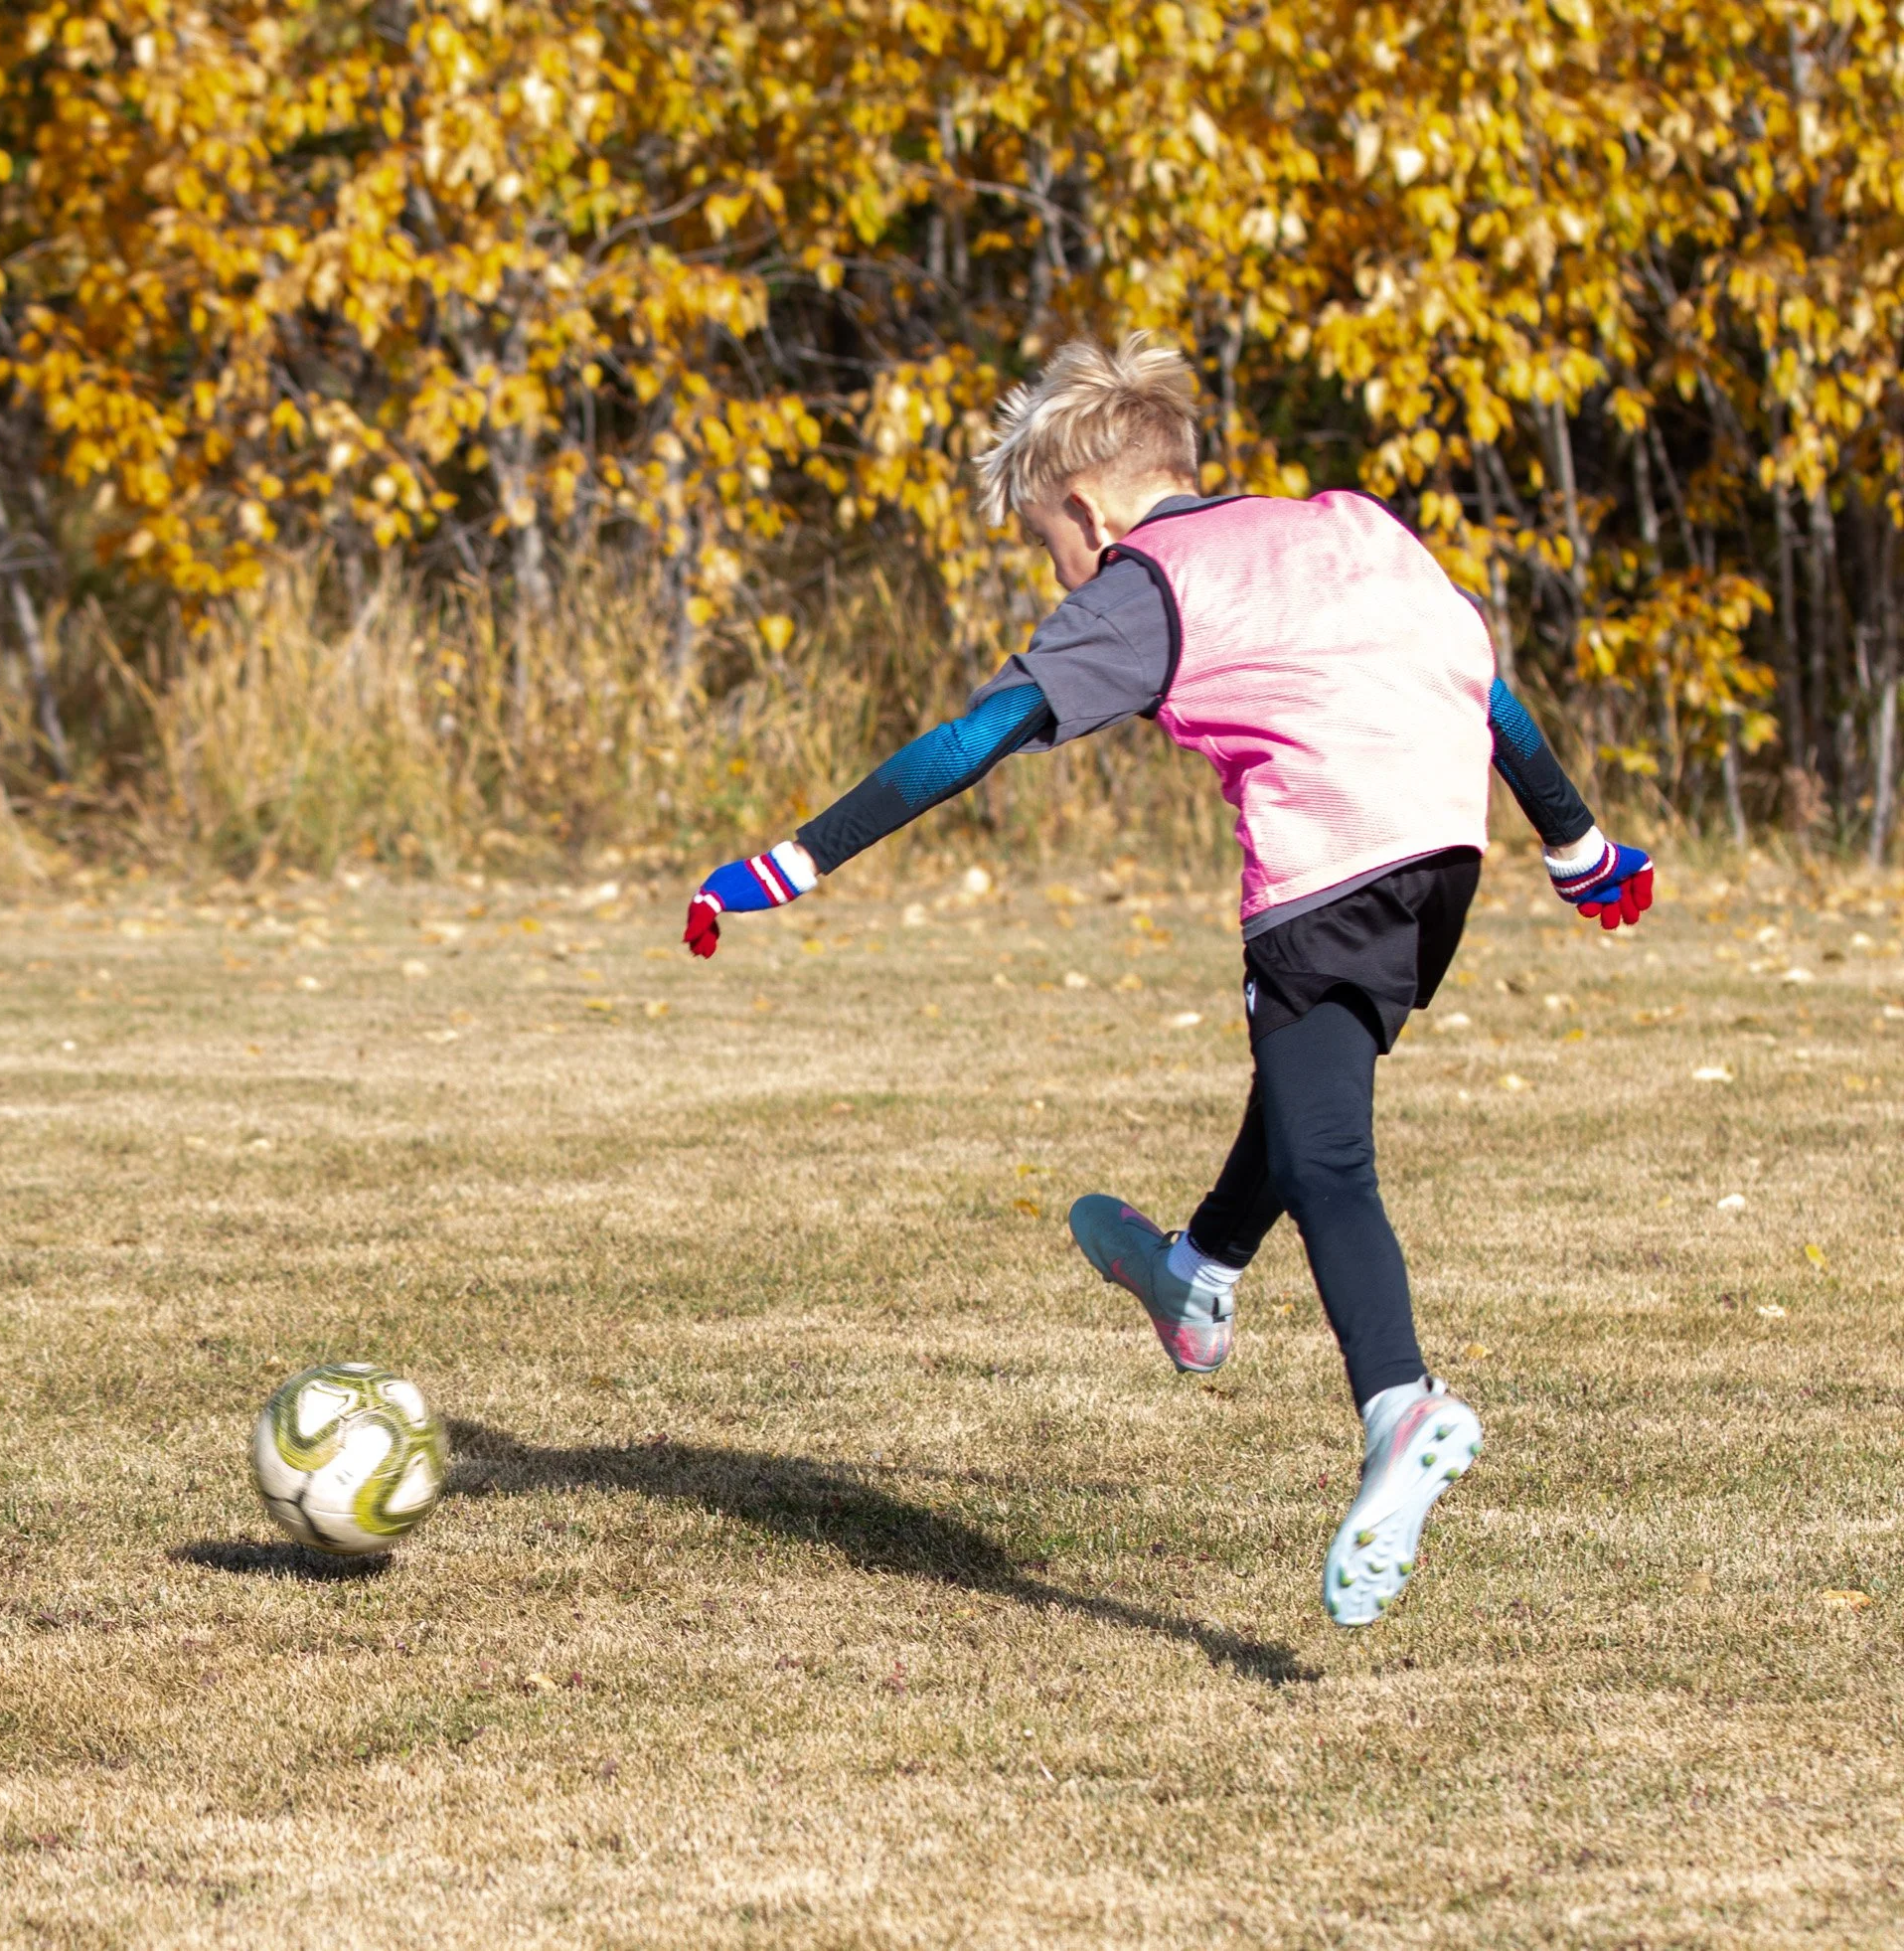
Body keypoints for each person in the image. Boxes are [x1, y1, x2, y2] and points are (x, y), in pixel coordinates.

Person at [682, 336, 1653, 1628]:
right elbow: (1491, 685)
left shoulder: (1149, 582)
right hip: (1445, 854)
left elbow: (974, 737)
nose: (1061, 576)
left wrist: (790, 861)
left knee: (1329, 1156)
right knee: (1303, 1086)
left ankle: (1401, 1403)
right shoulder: (1349, 524)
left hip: (1330, 860)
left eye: (1046, 546)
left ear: (1086, 509)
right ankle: (1196, 1271)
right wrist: (1578, 844)